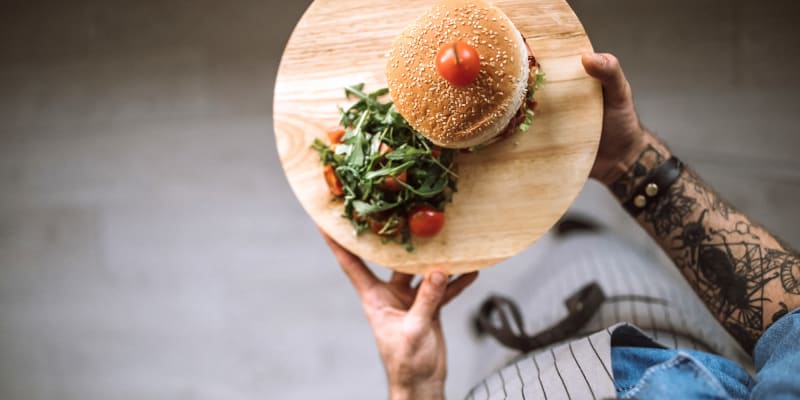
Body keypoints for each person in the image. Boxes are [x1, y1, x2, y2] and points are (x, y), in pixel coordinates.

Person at [319, 52, 800, 399]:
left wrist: (415, 384)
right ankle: (588, 236)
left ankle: (579, 240)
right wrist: (629, 164)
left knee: (555, 271)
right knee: (601, 256)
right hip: (652, 320)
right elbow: (793, 329)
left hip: (510, 366)